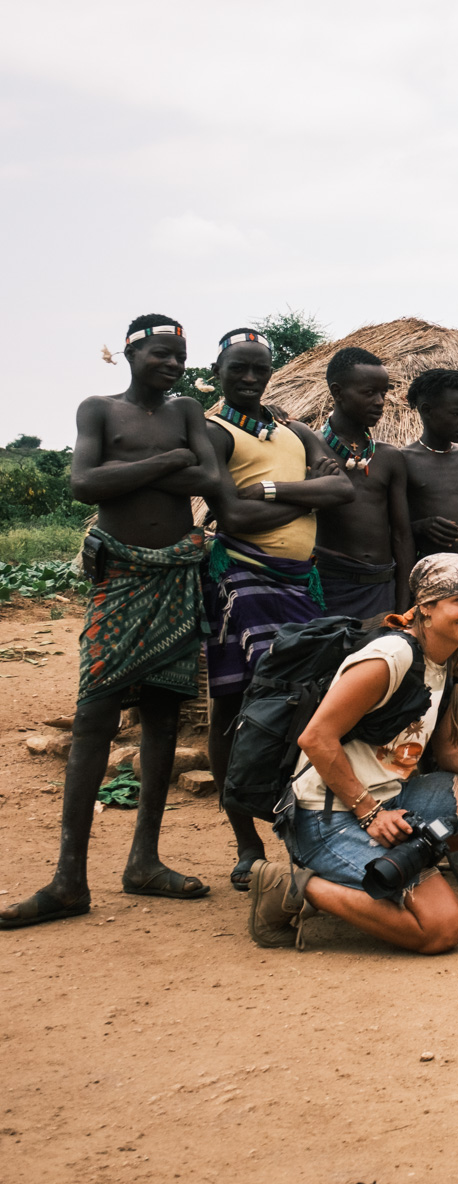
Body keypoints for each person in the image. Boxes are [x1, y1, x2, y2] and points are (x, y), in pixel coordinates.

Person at [2, 316, 222, 929]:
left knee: (162, 713)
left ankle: (144, 861)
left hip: (176, 576)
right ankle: (68, 878)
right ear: (131, 352)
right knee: (94, 711)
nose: (174, 364)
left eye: (180, 355)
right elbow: (82, 484)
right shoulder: (98, 410)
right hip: (118, 579)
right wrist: (168, 461)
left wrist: (155, 463)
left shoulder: (187, 412)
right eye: (161, 353)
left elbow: (208, 478)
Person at [245, 554, 458, 953]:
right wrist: (369, 813)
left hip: (392, 798)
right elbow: (316, 739)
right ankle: (295, 886)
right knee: (442, 931)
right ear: (427, 608)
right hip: (325, 815)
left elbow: (451, 750)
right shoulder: (391, 657)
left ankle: (405, 862)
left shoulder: (449, 658)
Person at [201, 327, 356, 890]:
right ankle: (246, 841)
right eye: (237, 368)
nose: (248, 378)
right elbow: (230, 519)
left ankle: (299, 828)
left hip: (299, 583)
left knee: (302, 703)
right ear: (217, 370)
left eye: (258, 369)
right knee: (238, 705)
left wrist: (269, 492)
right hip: (241, 579)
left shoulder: (294, 430)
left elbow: (340, 491)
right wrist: (299, 499)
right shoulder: (212, 430)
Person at [313, 346, 414, 619]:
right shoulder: (309, 448)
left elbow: (402, 535)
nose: (380, 401)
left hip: (381, 589)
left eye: (384, 392)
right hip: (327, 588)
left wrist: (403, 605)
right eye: (369, 393)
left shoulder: (389, 457)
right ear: (337, 393)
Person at [402, 368, 458, 572]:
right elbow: (389, 524)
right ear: (427, 410)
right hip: (434, 572)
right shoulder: (404, 460)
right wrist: (420, 527)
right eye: (457, 413)